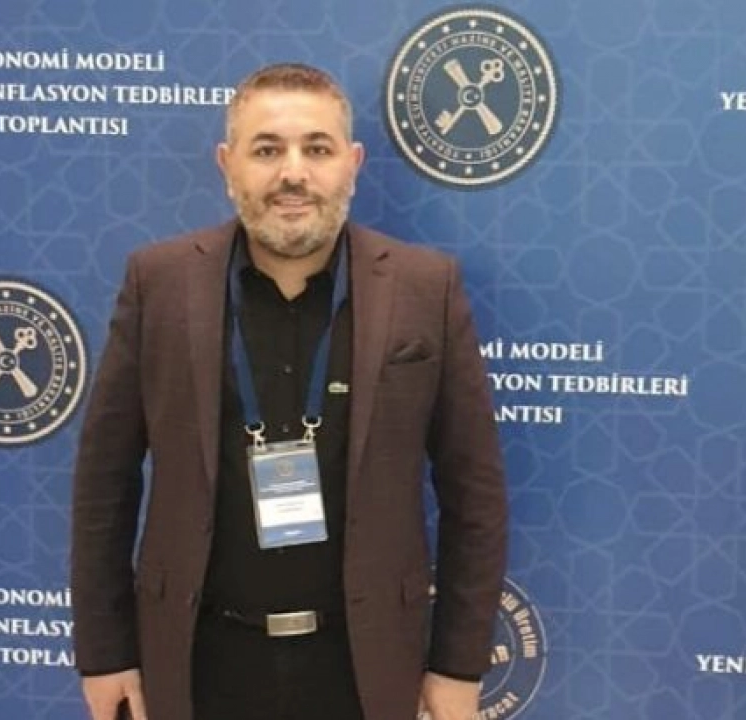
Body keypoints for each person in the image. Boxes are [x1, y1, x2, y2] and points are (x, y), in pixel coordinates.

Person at [70, 62, 508, 720]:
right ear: (227, 164)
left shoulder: (426, 289)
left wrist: (457, 665)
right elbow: (104, 484)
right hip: (197, 663)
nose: (293, 173)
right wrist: (105, 653)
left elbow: (475, 497)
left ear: (352, 164)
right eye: (267, 149)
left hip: (364, 671)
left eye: (317, 149)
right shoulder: (157, 283)